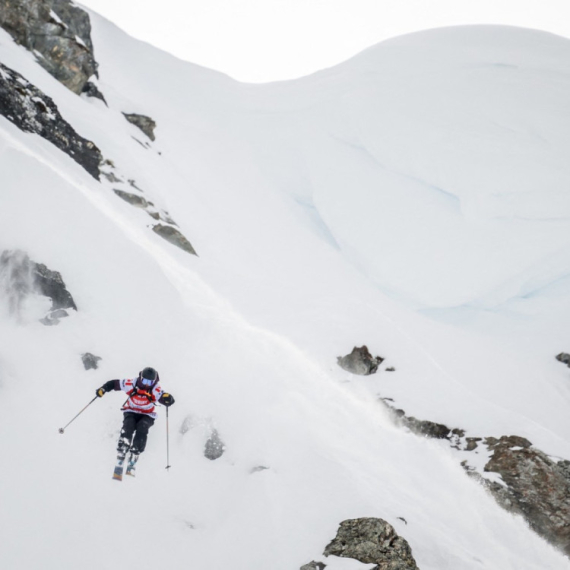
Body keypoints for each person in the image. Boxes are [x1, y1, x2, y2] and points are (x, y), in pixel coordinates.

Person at [96, 366, 174, 473]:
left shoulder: (155, 388)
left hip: (147, 415)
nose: (147, 384)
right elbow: (114, 383)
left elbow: (164, 397)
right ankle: (123, 446)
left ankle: (136, 451)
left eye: (150, 382)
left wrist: (168, 399)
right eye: (145, 380)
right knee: (128, 425)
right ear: (141, 377)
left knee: (143, 426)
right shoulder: (132, 384)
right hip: (131, 411)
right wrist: (103, 389)